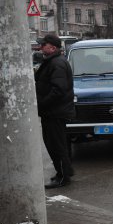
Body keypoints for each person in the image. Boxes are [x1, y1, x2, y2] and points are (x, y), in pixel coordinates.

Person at [35, 34, 75, 189]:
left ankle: (63, 177)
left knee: (56, 145)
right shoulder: (53, 61)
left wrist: (42, 104)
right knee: (55, 144)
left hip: (54, 112)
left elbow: (58, 90)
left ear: (52, 47)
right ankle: (64, 173)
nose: (41, 47)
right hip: (53, 112)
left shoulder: (56, 63)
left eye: (43, 44)